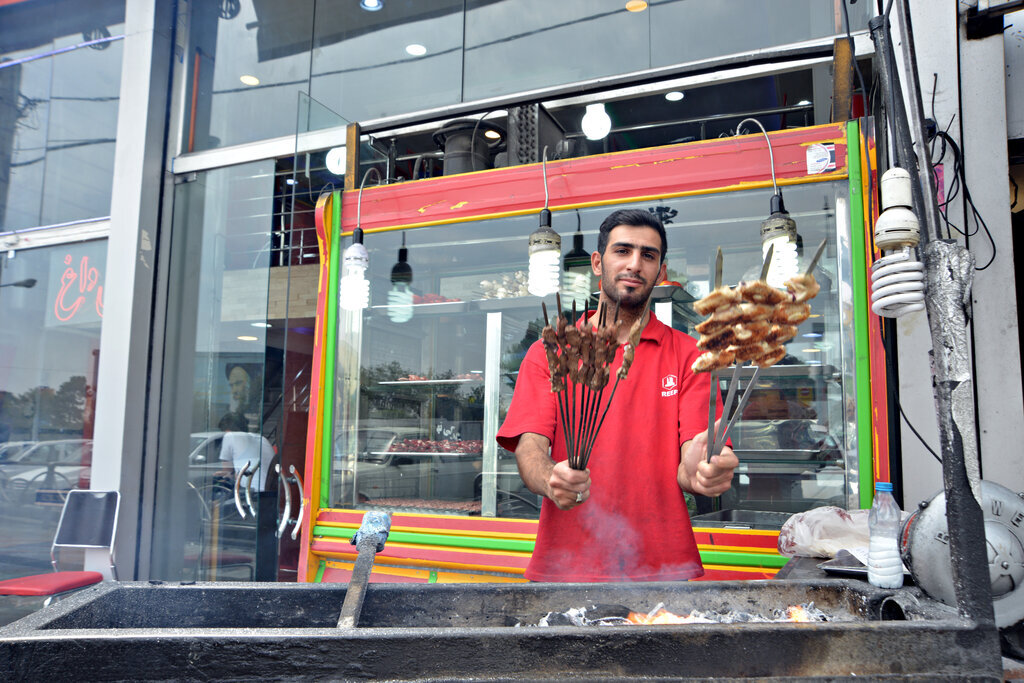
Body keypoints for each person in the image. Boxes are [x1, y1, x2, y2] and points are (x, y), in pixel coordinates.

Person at [496, 208, 739, 582]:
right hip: (566, 568)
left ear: (660, 271)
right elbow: (530, 447)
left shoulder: (689, 355)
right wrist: (551, 479)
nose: (635, 264)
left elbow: (692, 453)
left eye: (649, 255)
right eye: (622, 251)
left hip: (663, 569)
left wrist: (704, 469)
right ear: (598, 262)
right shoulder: (551, 351)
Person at [217, 412, 276, 491]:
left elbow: (227, 472)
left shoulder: (230, 436)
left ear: (227, 430)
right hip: (270, 493)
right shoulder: (262, 438)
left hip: (251, 493)